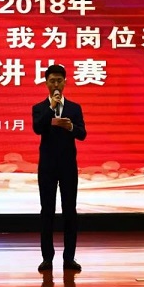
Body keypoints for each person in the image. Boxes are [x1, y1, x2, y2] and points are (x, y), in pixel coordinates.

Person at [32, 64, 87, 272]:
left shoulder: (74, 108)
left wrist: (70, 126)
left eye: (59, 80)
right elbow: (38, 128)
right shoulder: (39, 108)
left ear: (65, 82)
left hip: (68, 166)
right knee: (47, 211)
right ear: (46, 83)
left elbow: (82, 134)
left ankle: (69, 258)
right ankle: (47, 258)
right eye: (52, 81)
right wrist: (51, 107)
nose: (56, 84)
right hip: (47, 166)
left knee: (69, 211)